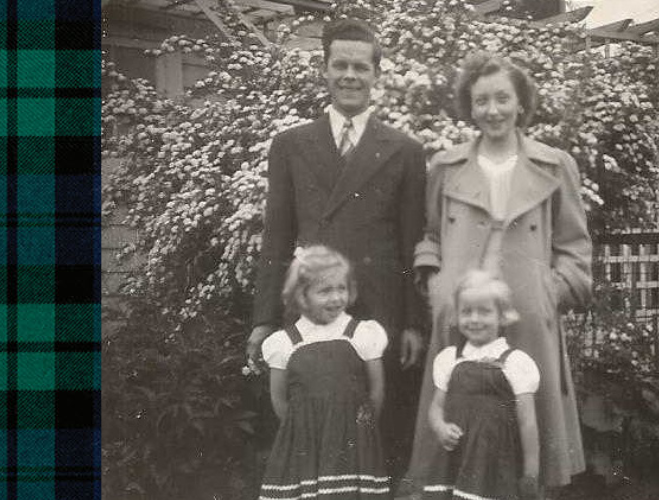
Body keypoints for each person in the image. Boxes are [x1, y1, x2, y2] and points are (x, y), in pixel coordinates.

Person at [247, 17, 428, 476]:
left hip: (380, 311)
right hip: (311, 311)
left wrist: (413, 322)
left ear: (376, 74)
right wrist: (265, 318)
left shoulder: (405, 150)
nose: (350, 75)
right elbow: (276, 236)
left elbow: (413, 242)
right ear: (324, 70)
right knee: (312, 434)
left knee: (378, 435)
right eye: (340, 65)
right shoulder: (290, 144)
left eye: (360, 67)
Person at [407, 52, 593, 494]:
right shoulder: (446, 166)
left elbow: (575, 248)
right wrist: (437, 285)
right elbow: (430, 235)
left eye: (502, 98)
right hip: (463, 316)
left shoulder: (554, 165)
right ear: (469, 107)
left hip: (524, 317)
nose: (493, 110)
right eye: (482, 100)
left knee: (528, 436)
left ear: (521, 102)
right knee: (455, 430)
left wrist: (549, 292)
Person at [259, 245, 391, 499]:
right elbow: (279, 399)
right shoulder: (285, 342)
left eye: (342, 288)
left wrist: (362, 430)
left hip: (353, 443)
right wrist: (302, 429)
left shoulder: (361, 333)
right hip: (306, 444)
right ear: (302, 296)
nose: (336, 298)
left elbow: (377, 390)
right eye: (325, 291)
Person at [417, 270, 542, 500]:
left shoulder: (515, 362)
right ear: (456, 315)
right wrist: (440, 427)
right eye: (466, 311)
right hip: (455, 456)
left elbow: (527, 422)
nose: (474, 319)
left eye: (484, 311)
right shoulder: (450, 359)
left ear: (502, 316)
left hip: (493, 461)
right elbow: (436, 407)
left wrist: (530, 474)